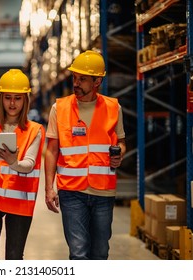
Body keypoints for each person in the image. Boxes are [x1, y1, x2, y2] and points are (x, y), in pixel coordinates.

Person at [44, 50, 126, 260]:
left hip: (103, 191)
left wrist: (120, 154)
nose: (76, 83)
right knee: (78, 252)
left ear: (97, 81)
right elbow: (52, 150)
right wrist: (48, 188)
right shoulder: (59, 108)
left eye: (82, 79)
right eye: (74, 78)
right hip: (71, 191)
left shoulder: (113, 108)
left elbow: (121, 142)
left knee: (100, 253)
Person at [0, 69, 45, 260]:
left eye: (18, 98)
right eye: (8, 97)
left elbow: (29, 164)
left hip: (19, 200)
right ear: (1, 99)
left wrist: (13, 162)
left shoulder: (34, 130)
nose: (12, 103)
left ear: (25, 100)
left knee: (14, 257)